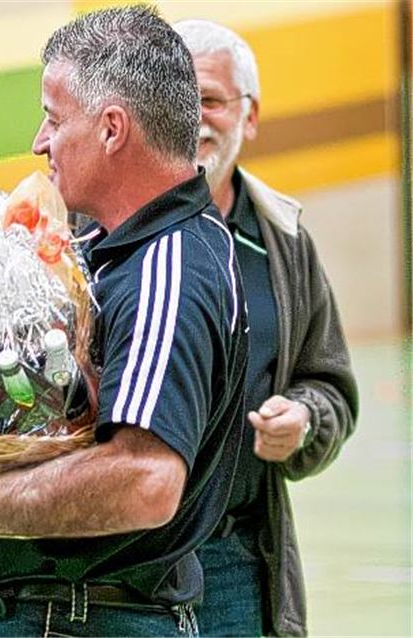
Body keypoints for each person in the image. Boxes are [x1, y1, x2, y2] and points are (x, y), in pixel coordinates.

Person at [0, 6, 248, 636]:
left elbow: (145, 480)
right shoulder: (103, 249)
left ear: (113, 129)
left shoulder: (169, 265)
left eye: (54, 119)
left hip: (87, 620)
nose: (40, 141)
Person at [173, 19, 359, 637]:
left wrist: (303, 419)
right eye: (176, 96)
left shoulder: (283, 241)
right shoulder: (98, 230)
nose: (194, 116)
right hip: (125, 564)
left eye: (211, 99)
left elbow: (327, 382)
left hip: (237, 561)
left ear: (249, 116)